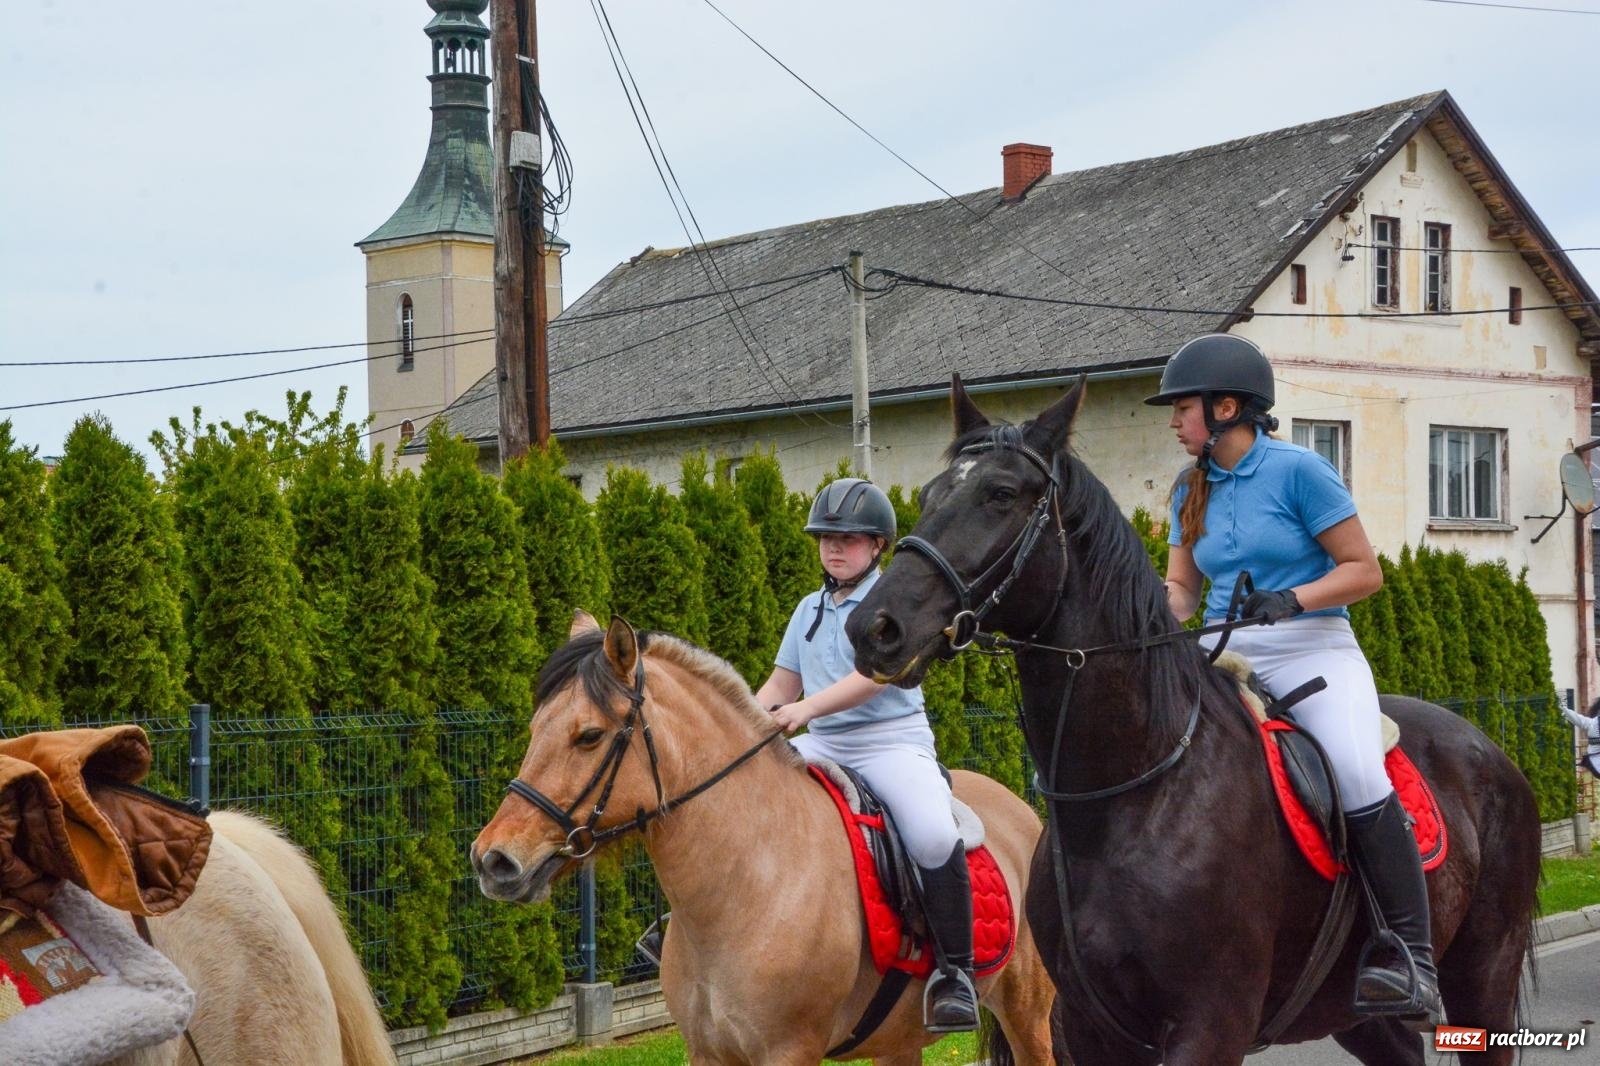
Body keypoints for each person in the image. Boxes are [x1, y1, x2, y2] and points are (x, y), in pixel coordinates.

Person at [1146, 333, 1440, 1024]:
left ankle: (1410, 957)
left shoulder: (1301, 472)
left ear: (1225, 408)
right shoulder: (1190, 487)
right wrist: (1142, 614)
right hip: (1224, 649)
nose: (1173, 421)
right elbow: (1182, 591)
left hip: (1313, 645)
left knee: (1356, 770)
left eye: (1181, 408)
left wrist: (1296, 598)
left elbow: (1364, 570)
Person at [754, 477, 978, 1033]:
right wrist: (745, 724)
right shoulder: (808, 606)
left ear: (878, 545)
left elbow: (876, 676)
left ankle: (957, 974)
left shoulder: (894, 600)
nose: (835, 547)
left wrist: (805, 711)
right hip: (822, 739)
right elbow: (781, 684)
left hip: (890, 740)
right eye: (826, 537)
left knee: (931, 833)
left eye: (850, 538)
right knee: (743, 799)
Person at [1562, 697, 1600, 781]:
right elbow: (1575, 717)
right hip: (1595, 760)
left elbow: (1576, 718)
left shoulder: (1591, 723)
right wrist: (1562, 709)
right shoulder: (1592, 724)